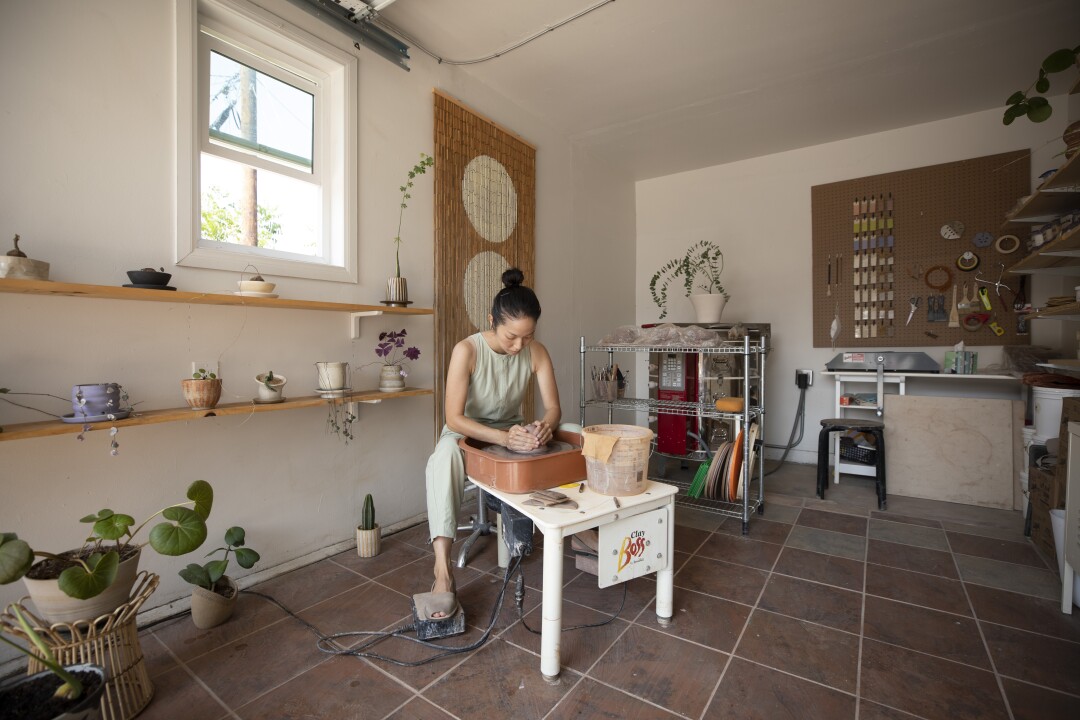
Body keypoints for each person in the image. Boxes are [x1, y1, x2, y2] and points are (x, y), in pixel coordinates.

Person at [421, 267, 564, 619]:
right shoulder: (466, 350)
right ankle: (442, 570)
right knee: (444, 458)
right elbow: (454, 418)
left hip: (512, 434)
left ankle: (582, 532)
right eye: (511, 337)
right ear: (491, 320)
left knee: (573, 430)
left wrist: (545, 427)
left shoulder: (537, 352)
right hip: (469, 434)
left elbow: (554, 408)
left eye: (527, 337)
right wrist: (503, 436)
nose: (519, 346)